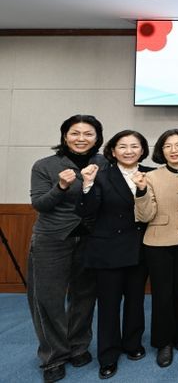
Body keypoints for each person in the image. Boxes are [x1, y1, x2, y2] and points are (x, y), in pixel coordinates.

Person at [28, 114, 106, 383]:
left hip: (91, 238)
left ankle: (78, 346)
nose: (81, 138)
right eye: (75, 133)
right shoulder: (45, 165)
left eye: (88, 134)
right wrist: (61, 186)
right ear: (64, 136)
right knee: (47, 299)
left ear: (97, 138)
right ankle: (53, 356)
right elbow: (39, 204)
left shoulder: (104, 163)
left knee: (84, 296)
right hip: (52, 239)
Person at [80, 130, 153, 379]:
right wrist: (87, 185)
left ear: (143, 150)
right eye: (122, 146)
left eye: (134, 146)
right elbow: (86, 211)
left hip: (141, 247)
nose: (129, 151)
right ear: (113, 151)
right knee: (109, 305)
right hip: (108, 249)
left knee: (135, 300)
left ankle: (132, 343)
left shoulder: (152, 174)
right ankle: (108, 355)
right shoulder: (99, 175)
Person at [133, 129, 178, 368]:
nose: (174, 150)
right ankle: (163, 342)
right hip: (158, 243)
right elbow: (144, 215)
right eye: (168, 146)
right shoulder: (150, 176)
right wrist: (141, 190)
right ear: (161, 150)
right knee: (162, 295)